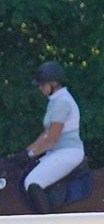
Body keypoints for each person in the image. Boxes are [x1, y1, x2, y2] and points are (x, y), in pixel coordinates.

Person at [17, 60, 85, 214]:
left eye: (43, 85)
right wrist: (26, 151)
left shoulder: (62, 102)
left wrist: (30, 154)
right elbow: (46, 134)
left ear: (54, 83)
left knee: (32, 182)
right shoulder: (55, 101)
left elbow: (52, 138)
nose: (40, 88)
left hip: (68, 152)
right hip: (56, 152)